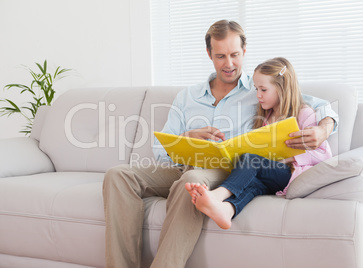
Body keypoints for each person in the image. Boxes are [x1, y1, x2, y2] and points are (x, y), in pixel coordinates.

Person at [103, 20, 338, 268]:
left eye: (235, 55)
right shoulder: (187, 96)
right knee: (118, 175)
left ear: (244, 52)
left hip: (224, 171)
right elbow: (161, 151)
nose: (229, 64)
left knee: (191, 180)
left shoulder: (259, 89)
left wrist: (325, 127)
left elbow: (317, 104)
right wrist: (188, 138)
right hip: (181, 165)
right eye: (220, 56)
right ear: (209, 55)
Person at [185, 57, 332, 230]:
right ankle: (227, 209)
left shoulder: (304, 113)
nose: (258, 95)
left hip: (290, 174)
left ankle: (218, 195)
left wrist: (288, 157)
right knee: (253, 185)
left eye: (263, 89)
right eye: (256, 89)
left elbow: (324, 155)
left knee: (250, 159)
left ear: (282, 89)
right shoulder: (266, 118)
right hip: (270, 176)